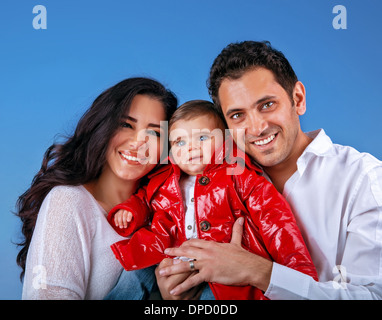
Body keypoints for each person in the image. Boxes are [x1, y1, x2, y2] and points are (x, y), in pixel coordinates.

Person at [157, 41, 382, 300]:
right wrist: (174, 288)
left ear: (297, 99)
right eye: (238, 115)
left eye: (266, 105)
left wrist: (260, 272)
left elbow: (372, 296)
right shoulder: (209, 181)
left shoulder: (365, 179)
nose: (256, 127)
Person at [105, 100, 317, 300]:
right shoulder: (163, 179)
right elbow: (145, 200)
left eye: (202, 138)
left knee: (216, 296)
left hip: (219, 268)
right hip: (164, 251)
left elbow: (276, 221)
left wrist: (298, 272)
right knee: (133, 273)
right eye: (179, 141)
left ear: (226, 140)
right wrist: (131, 211)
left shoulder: (240, 176)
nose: (190, 147)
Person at [16, 77, 177, 299]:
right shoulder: (68, 202)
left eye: (155, 133)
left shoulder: (165, 215)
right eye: (126, 125)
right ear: (103, 127)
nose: (139, 141)